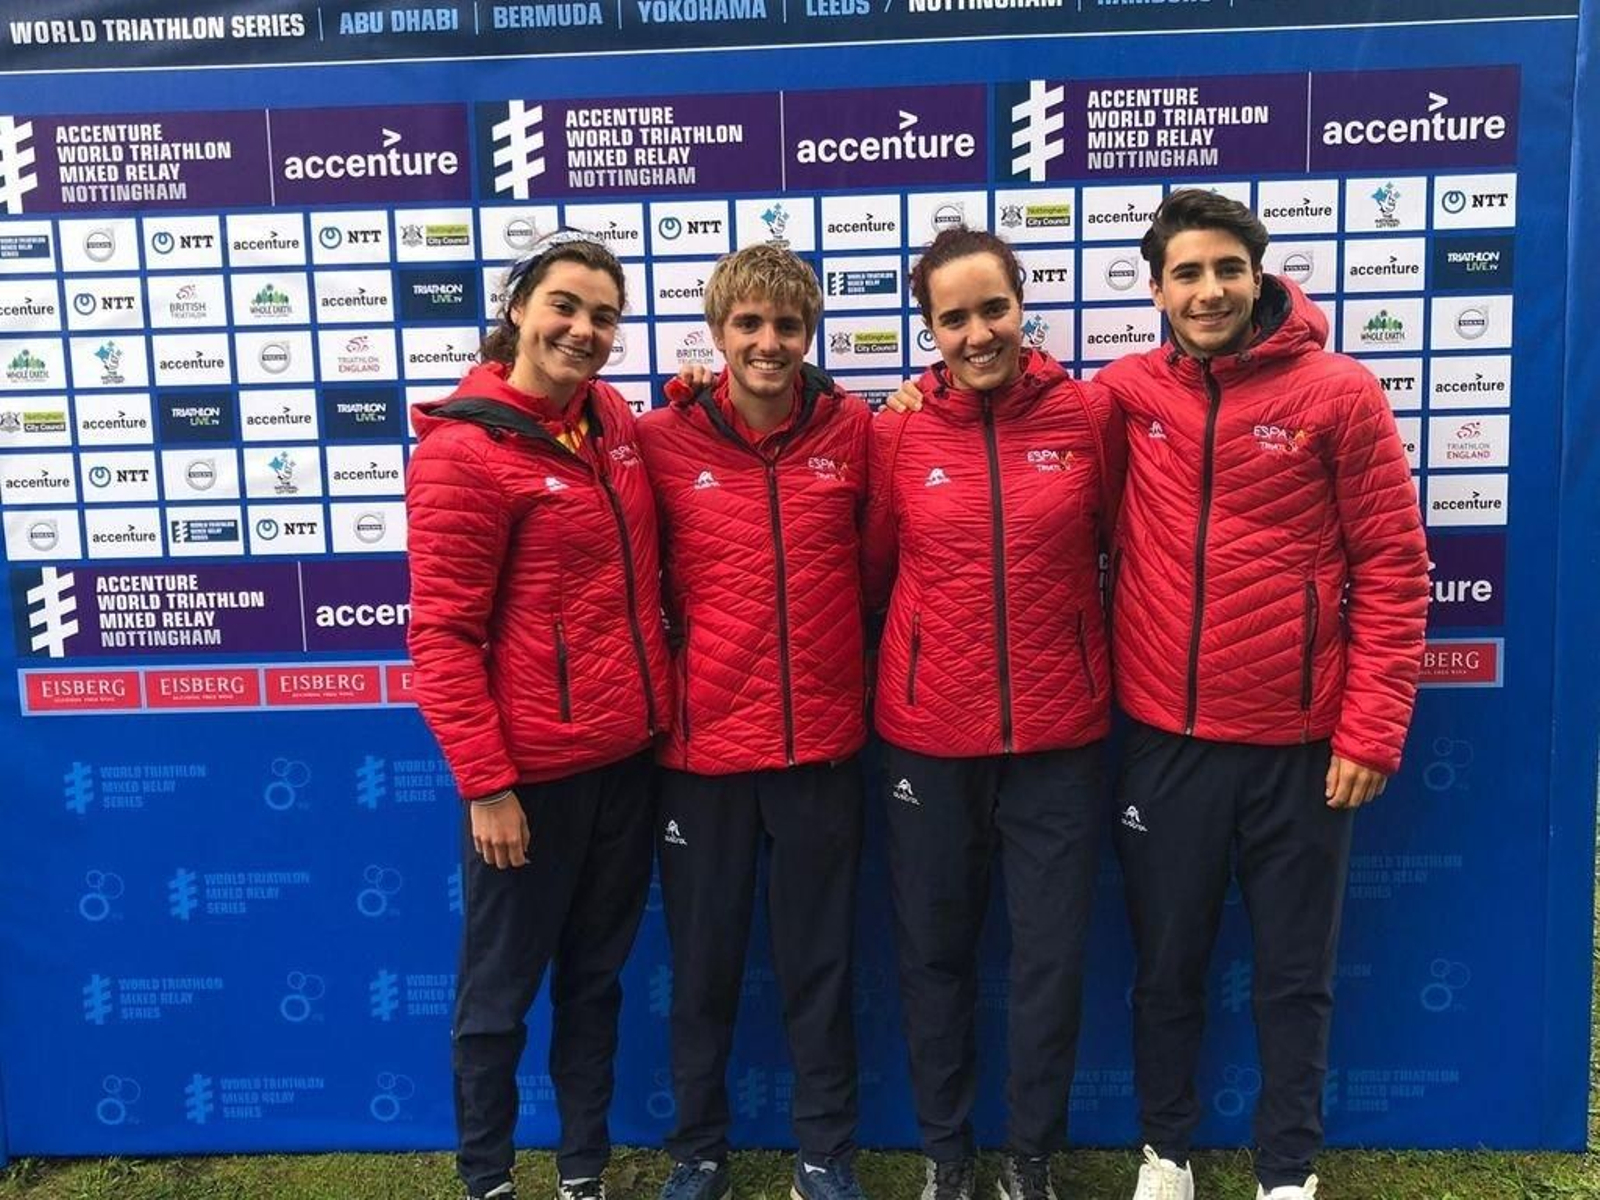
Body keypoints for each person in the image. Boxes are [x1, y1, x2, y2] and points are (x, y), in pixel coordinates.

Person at [1100, 190, 1429, 1200]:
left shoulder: (1339, 393)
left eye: (1226, 269)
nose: (1208, 291)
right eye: (1187, 273)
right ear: (1156, 290)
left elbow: (1393, 567)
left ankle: (1287, 1172)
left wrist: (1369, 730)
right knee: (1167, 968)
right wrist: (912, 399)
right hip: (1167, 739)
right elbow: (1019, 441)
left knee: (1293, 976)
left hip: (1301, 744)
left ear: (1258, 275)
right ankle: (1166, 1154)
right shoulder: (1123, 394)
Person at [406, 233, 673, 1200]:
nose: (583, 329)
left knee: (595, 983)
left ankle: (583, 1173)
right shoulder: (464, 452)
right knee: (498, 997)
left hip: (626, 763)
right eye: (565, 305)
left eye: (604, 315)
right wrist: (487, 785)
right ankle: (486, 1177)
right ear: (519, 308)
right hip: (528, 784)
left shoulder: (610, 421)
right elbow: (441, 636)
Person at [864, 226, 1120, 1200]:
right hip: (929, 739)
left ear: (1022, 305)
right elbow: (873, 574)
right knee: (934, 957)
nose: (978, 334)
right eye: (953, 318)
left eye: (993, 309)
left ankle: (1029, 1160)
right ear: (929, 329)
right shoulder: (894, 432)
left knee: (1049, 960)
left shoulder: (1088, 415)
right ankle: (947, 1157)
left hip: (1059, 740)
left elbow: (1120, 543)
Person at [635, 244, 873, 1200]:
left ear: (809, 333)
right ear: (718, 331)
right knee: (702, 971)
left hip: (821, 749)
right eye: (749, 324)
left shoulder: (859, 429)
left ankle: (825, 1154)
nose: (768, 343)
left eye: (787, 325)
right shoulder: (659, 438)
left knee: (821, 968)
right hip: (701, 755)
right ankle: (698, 1151)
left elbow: (880, 567)